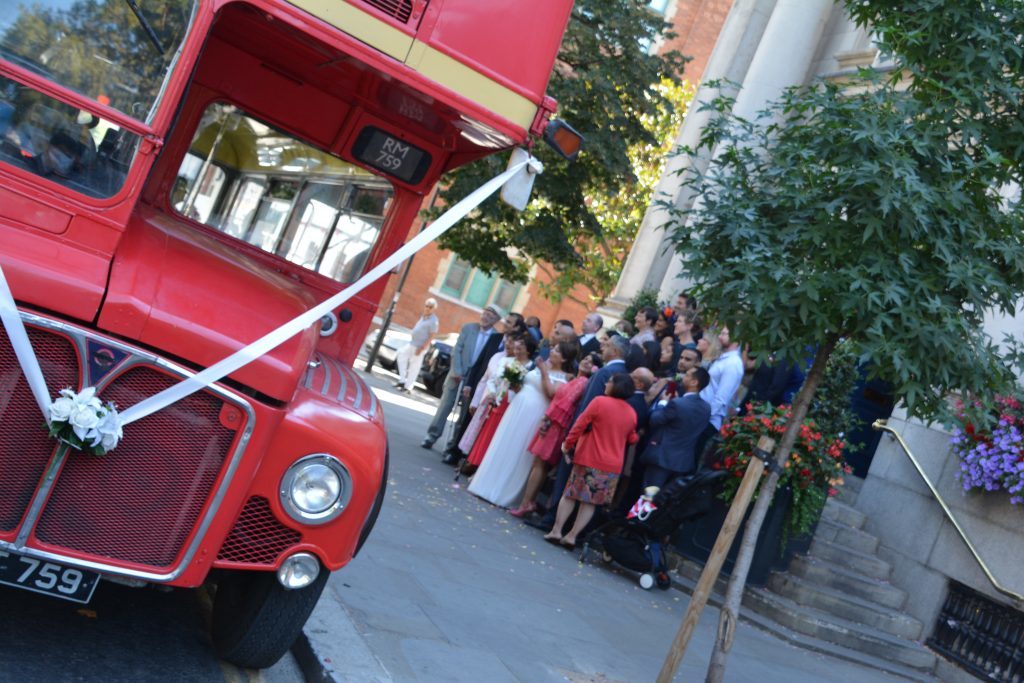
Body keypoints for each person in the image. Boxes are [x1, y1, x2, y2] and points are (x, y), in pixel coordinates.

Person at [525, 335, 630, 531]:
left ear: (614, 351)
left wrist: (573, 438)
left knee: (567, 482)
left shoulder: (605, 373)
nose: (602, 348)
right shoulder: (624, 372)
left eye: (606, 346)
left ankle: (552, 521)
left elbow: (587, 410)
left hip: (586, 440)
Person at [469, 337, 570, 507]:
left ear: (565, 358)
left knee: (518, 449)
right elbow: (526, 383)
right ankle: (485, 484)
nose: (552, 351)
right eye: (554, 348)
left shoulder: (565, 377)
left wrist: (544, 372)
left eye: (557, 350)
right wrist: (515, 383)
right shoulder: (540, 365)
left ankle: (504, 493)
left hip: (534, 414)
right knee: (503, 443)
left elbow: (551, 394)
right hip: (516, 407)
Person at [543, 373, 638, 549]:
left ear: (616, 386)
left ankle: (557, 530)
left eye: (609, 381)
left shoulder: (599, 402)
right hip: (612, 464)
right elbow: (632, 438)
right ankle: (572, 536)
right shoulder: (632, 413)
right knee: (591, 501)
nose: (607, 383)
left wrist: (568, 444)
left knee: (571, 494)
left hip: (590, 457)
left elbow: (580, 424)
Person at [510, 346, 594, 518]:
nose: (586, 362)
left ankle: (526, 503)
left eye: (592, 362)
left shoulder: (582, 382)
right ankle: (528, 502)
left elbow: (566, 403)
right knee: (538, 464)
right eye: (586, 359)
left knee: (539, 464)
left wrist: (547, 419)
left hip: (555, 424)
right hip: (554, 422)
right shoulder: (575, 380)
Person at [421, 304, 504, 453]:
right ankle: (431, 436)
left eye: (490, 316)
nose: (485, 317)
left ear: (496, 320)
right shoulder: (468, 328)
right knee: (444, 408)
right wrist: (457, 371)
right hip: (456, 375)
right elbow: (457, 350)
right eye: (485, 313)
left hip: (474, 381)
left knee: (464, 414)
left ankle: (452, 445)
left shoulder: (496, 337)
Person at [463, 333, 536, 472]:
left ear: (528, 349)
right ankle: (476, 463)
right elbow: (493, 380)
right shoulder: (506, 361)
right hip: (498, 402)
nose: (516, 347)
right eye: (517, 344)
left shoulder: (531, 369)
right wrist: (491, 392)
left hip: (513, 405)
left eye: (521, 345)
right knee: (487, 434)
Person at [642, 367, 712, 488]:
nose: (683, 376)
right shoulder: (706, 408)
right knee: (665, 502)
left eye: (688, 375)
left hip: (662, 458)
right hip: (683, 463)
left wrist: (663, 403)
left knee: (648, 498)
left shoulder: (677, 404)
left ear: (694, 382)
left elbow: (654, 420)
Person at [394, 298, 438, 393]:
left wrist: (422, 348)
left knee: (414, 367)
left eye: (430, 307)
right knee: (401, 356)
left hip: (420, 347)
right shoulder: (423, 317)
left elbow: (431, 336)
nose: (428, 308)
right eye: (426, 306)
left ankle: (408, 387)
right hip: (412, 343)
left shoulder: (434, 321)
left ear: (434, 309)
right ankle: (402, 380)